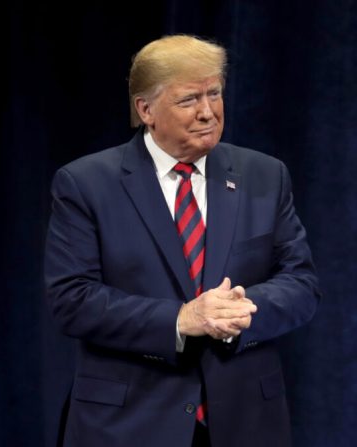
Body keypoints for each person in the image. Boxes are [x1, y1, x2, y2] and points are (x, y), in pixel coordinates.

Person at [44, 34, 320, 447]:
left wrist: (241, 313)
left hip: (245, 423)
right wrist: (180, 320)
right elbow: (72, 300)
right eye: (189, 99)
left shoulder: (265, 174)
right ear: (146, 110)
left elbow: (301, 284)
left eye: (215, 94)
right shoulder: (86, 184)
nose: (208, 112)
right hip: (129, 424)